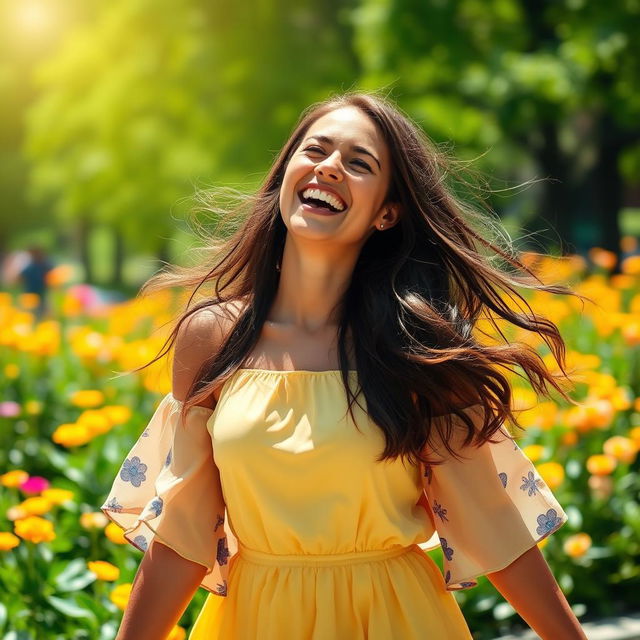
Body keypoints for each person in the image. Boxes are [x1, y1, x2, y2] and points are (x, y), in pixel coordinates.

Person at [101, 92, 588, 639]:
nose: (329, 167)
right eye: (316, 150)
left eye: (359, 163)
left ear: (387, 213)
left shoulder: (420, 349)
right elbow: (181, 536)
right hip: (253, 621)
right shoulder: (213, 337)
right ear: (287, 175)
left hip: (397, 620)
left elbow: (490, 523)